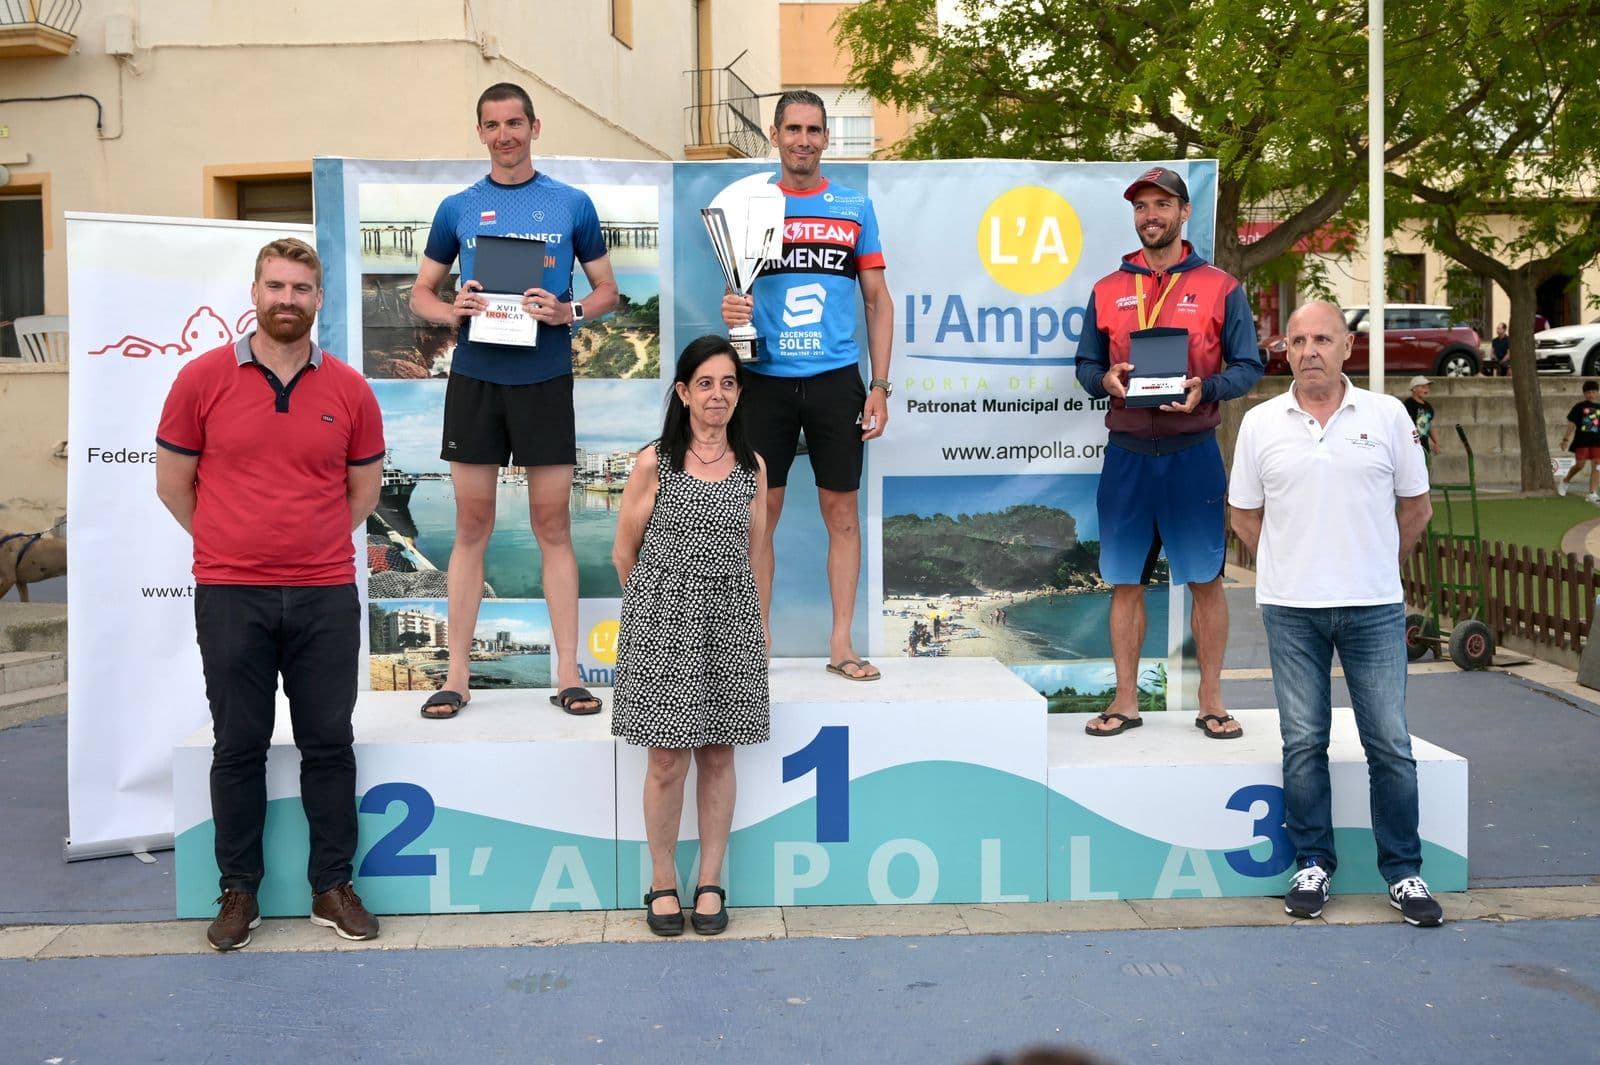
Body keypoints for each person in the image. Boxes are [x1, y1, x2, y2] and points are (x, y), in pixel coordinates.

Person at [155, 238, 385, 949]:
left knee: (328, 743)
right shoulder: (201, 380)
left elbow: (362, 492)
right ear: (254, 293)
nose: (288, 299)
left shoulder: (349, 388)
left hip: (322, 594)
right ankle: (238, 891)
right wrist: (232, 544)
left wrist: (305, 544)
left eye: (302, 288)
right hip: (231, 594)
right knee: (239, 745)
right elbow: (172, 484)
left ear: (319, 299)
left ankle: (331, 885)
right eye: (276, 286)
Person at [1229, 300, 1443, 928]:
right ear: (1285, 351)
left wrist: (1375, 563)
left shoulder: (1388, 414)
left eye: (1322, 338)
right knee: (1303, 744)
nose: (1309, 351)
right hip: (1291, 611)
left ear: (1347, 346)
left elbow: (1417, 509)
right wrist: (1289, 565)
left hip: (1374, 607)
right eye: (1297, 341)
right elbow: (1244, 515)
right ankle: (1313, 864)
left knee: (1391, 745)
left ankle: (1404, 874)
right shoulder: (1261, 423)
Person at [409, 82, 620, 719]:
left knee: (553, 528)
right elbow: (421, 293)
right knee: (472, 527)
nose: (505, 134)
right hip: (476, 381)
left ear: (534, 126)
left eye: (515, 122)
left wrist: (569, 310)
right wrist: (453, 310)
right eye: (493, 125)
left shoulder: (571, 204)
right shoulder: (458, 208)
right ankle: (457, 676)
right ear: (480, 133)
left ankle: (566, 674)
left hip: (545, 380)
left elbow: (608, 290)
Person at [1073, 166, 1263, 738]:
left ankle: (1212, 701)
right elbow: (1083, 367)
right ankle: (1125, 701)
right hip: (1127, 453)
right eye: (1141, 206)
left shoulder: (1221, 286)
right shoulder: (1108, 288)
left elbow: (1248, 367)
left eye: (1162, 204)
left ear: (1184, 213)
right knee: (1125, 581)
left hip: (1192, 453)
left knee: (1206, 579)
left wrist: (1208, 388)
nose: (1150, 215)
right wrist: (1104, 380)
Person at [720, 89, 893, 683]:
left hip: (835, 381)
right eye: (792, 128)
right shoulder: (748, 206)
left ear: (826, 138)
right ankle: (756, 645)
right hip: (763, 381)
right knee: (757, 515)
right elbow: (737, 293)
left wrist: (881, 385)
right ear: (775, 134)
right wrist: (732, 311)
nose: (802, 139)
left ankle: (842, 643)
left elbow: (877, 300)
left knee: (840, 513)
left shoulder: (854, 207)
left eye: (813, 130)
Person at [610, 336, 770, 936]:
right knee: (667, 760)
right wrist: (657, 611)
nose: (718, 394)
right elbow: (624, 552)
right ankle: (661, 880)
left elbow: (757, 556)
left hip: (731, 626)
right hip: (662, 626)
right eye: (705, 383)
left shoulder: (753, 466)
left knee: (718, 754)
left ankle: (710, 879)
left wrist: (760, 626)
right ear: (682, 392)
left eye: (728, 383)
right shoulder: (656, 461)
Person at [1556, 379, 1600, 503]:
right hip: (1582, 441)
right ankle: (1565, 480)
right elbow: (1572, 424)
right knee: (1580, 465)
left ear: (1597, 393)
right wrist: (1565, 439)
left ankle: (1592, 493)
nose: (1591, 394)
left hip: (1597, 441)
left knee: (1597, 466)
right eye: (1588, 392)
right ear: (1584, 394)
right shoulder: (1579, 407)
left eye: (1593, 392)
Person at [1402, 376, 1439, 457]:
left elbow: (1429, 425)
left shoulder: (1428, 407)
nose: (1427, 389)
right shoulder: (1408, 405)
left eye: (1428, 387)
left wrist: (1436, 442)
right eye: (1423, 387)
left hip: (1424, 446)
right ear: (1414, 389)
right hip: (1411, 446)